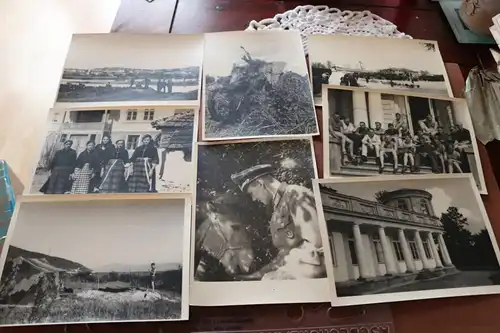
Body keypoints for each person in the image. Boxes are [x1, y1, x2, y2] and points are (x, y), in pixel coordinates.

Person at [231, 164, 325, 280]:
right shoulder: (277, 210)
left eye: (252, 193)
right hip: (296, 268)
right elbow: (284, 253)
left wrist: (279, 275)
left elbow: (316, 245)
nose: (254, 199)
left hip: (312, 268)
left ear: (260, 183)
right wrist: (259, 274)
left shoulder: (296, 195)